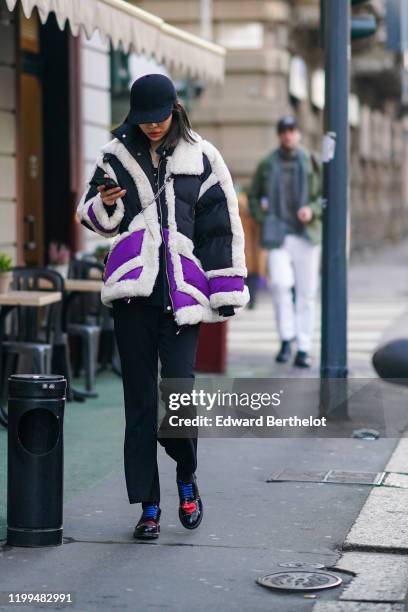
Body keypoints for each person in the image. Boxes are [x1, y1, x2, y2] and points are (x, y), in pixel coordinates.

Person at [76, 74, 249, 540]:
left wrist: (225, 288)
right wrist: (104, 203)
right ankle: (148, 505)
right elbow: (95, 218)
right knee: (138, 405)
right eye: (145, 119)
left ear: (175, 109)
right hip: (132, 296)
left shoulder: (203, 157)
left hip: (181, 298)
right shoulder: (113, 155)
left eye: (161, 117)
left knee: (178, 397)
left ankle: (185, 476)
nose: (153, 127)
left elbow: (221, 229)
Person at [249, 116, 322, 368]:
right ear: (279, 135)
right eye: (283, 131)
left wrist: (311, 210)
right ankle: (285, 338)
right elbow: (253, 194)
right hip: (277, 234)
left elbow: (325, 196)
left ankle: (303, 347)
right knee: (280, 285)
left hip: (306, 234)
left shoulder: (312, 161)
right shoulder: (268, 163)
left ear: (298, 133)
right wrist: (263, 218)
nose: (288, 135)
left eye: (292, 130)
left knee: (307, 292)